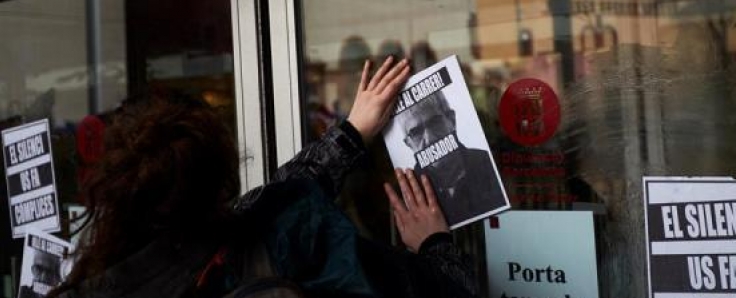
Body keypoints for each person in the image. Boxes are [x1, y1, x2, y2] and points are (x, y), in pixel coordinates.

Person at [50, 57, 477, 298]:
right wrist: (435, 248)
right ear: (220, 179)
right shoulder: (292, 244)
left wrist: (348, 136)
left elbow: (264, 206)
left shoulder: (91, 288)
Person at [394, 90, 506, 227]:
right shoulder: (408, 194)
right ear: (408, 144)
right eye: (416, 132)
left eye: (435, 122)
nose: (429, 139)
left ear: (452, 120)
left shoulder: (490, 163)